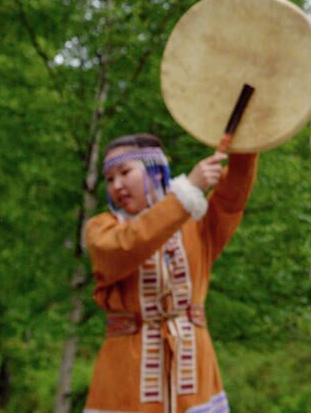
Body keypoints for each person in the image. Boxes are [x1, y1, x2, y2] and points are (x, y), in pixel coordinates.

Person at [83, 133, 256, 413]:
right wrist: (187, 191)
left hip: (194, 371)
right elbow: (129, 245)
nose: (117, 185)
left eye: (125, 172)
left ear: (155, 171)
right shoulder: (102, 230)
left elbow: (232, 194)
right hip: (125, 375)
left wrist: (250, 139)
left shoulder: (196, 223)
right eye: (110, 178)